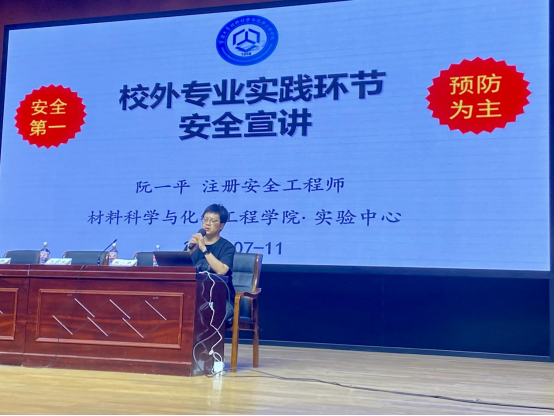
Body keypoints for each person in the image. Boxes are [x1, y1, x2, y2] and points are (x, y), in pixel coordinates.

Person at [187, 204, 236, 320]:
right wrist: (189, 251)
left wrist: (204, 249)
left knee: (205, 316)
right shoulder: (194, 245)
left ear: (222, 225)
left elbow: (222, 271)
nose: (207, 224)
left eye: (213, 221)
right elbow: (182, 270)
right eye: (205, 219)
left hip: (221, 300)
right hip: (195, 297)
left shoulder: (227, 247)